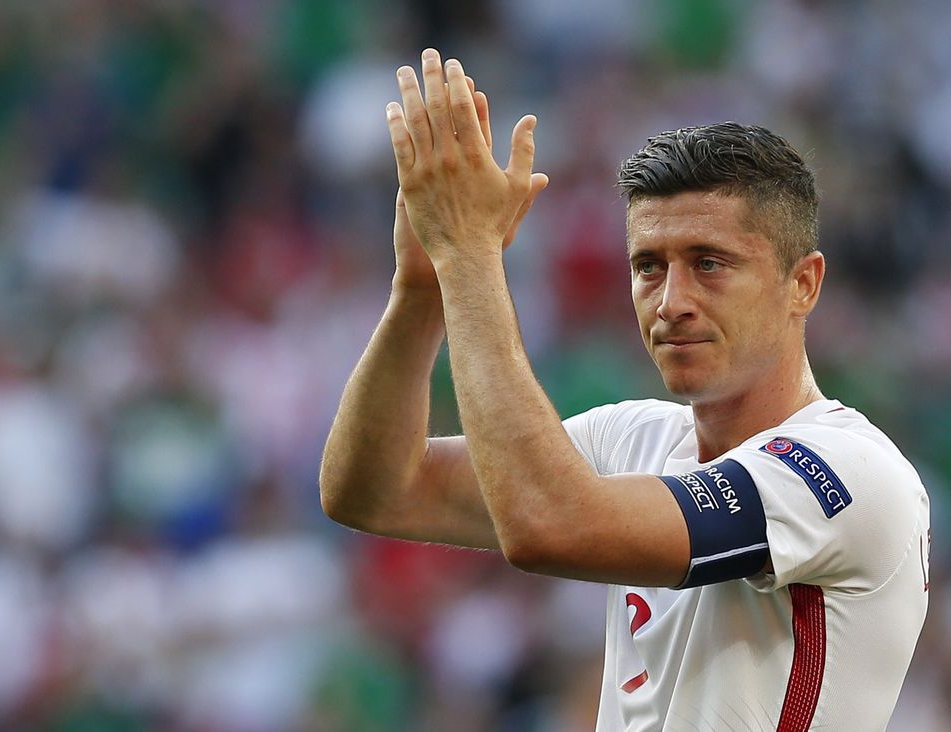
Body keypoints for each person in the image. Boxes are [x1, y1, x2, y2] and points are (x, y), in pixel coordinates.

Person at [319, 48, 930, 730]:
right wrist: (422, 287)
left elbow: (548, 525)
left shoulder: (846, 471)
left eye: (709, 263)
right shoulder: (633, 438)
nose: (671, 301)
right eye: (648, 266)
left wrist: (469, 255)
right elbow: (374, 490)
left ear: (804, 284)